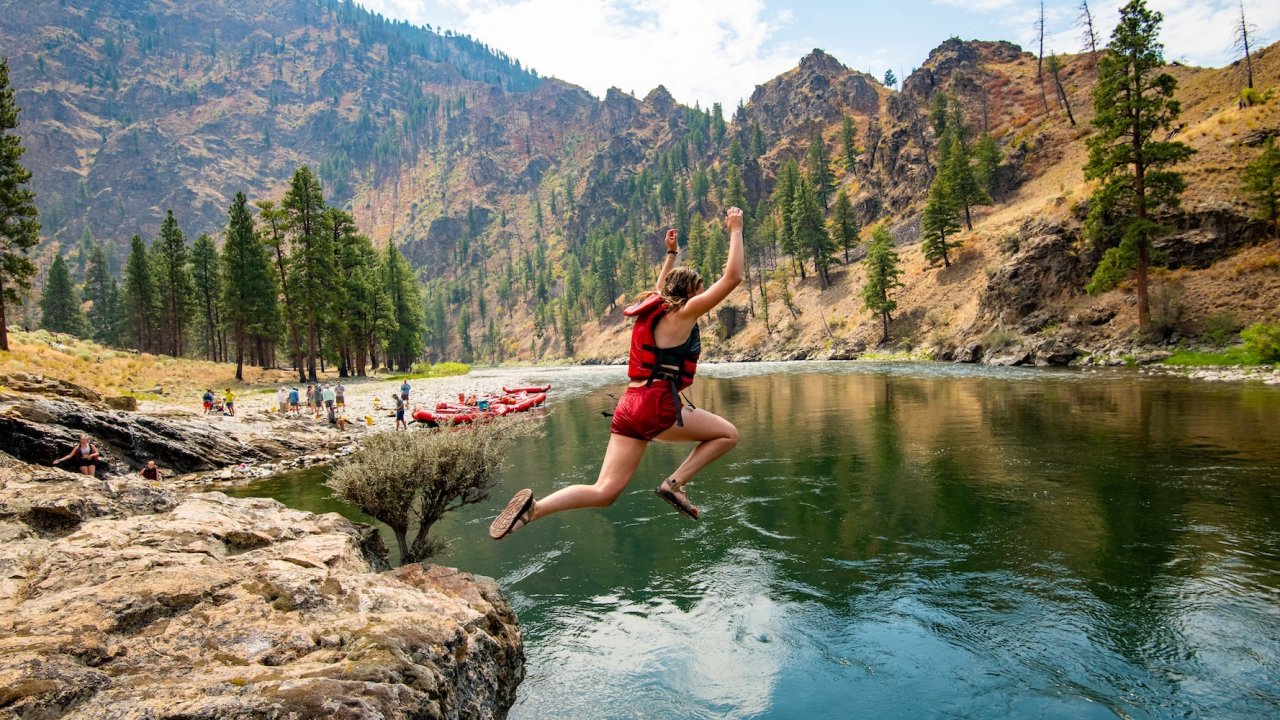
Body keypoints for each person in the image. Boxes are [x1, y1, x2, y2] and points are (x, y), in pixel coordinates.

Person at [490, 208, 745, 540]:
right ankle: (673, 484)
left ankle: (533, 511)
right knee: (728, 435)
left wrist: (671, 254)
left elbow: (659, 288)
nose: (701, 297)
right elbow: (733, 278)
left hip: (631, 404)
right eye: (698, 291)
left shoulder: (653, 310)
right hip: (656, 405)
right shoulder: (683, 314)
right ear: (689, 295)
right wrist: (735, 230)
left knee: (605, 491)